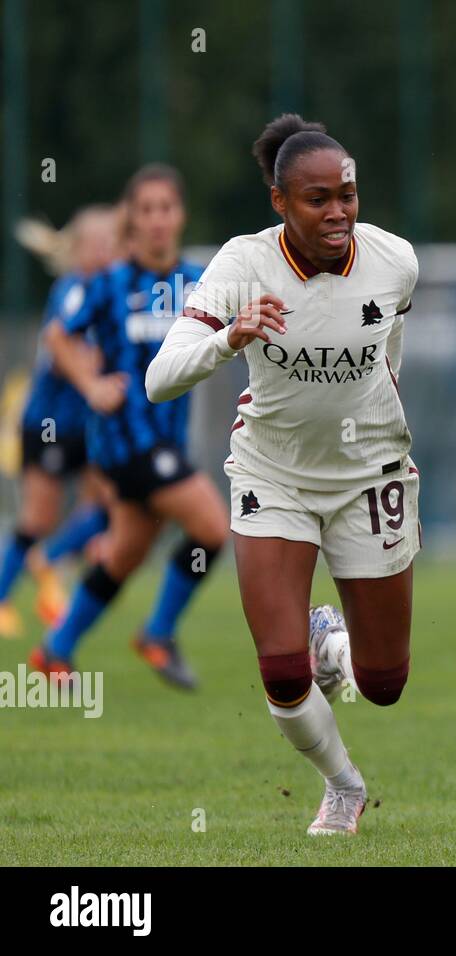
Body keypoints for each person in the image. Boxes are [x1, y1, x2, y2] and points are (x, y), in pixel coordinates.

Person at [145, 114, 420, 836]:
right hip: (274, 475)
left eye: (348, 195)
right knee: (282, 672)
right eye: (317, 199)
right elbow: (158, 378)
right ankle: (343, 786)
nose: (338, 213)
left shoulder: (395, 261)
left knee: (386, 684)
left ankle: (335, 643)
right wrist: (227, 339)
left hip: (371, 474)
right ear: (280, 203)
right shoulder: (243, 266)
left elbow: (390, 350)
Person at [32, 165, 229, 690]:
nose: (158, 220)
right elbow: (57, 336)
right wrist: (91, 384)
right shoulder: (111, 283)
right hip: (127, 444)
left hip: (165, 441)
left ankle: (55, 649)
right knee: (212, 527)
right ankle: (158, 633)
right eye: (146, 210)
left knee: (123, 557)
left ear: (180, 215)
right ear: (133, 219)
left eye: (166, 208)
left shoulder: (196, 280)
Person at [0, 206, 121, 639]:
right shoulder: (72, 290)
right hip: (49, 422)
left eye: (113, 242)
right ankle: (2, 596)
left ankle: (50, 562)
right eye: (100, 244)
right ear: (80, 250)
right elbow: (62, 355)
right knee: (37, 518)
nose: (109, 251)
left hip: (88, 425)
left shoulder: (109, 290)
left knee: (112, 503)